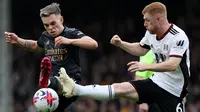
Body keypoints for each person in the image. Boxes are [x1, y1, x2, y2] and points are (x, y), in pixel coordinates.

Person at [56, 2, 190, 112]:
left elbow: (173, 65)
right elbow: (141, 49)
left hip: (174, 92)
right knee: (120, 88)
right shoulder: (151, 34)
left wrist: (146, 67)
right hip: (156, 83)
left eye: (147, 21)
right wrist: (121, 44)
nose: (144, 24)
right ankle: (76, 89)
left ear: (159, 19)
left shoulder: (178, 36)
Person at [5, 2, 98, 112]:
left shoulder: (71, 33)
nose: (50, 28)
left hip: (71, 84)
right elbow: (35, 46)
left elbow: (93, 44)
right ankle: (47, 82)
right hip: (53, 90)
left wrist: (70, 41)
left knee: (50, 89)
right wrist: (18, 40)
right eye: (46, 25)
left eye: (53, 23)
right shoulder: (46, 36)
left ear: (61, 20)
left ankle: (46, 82)